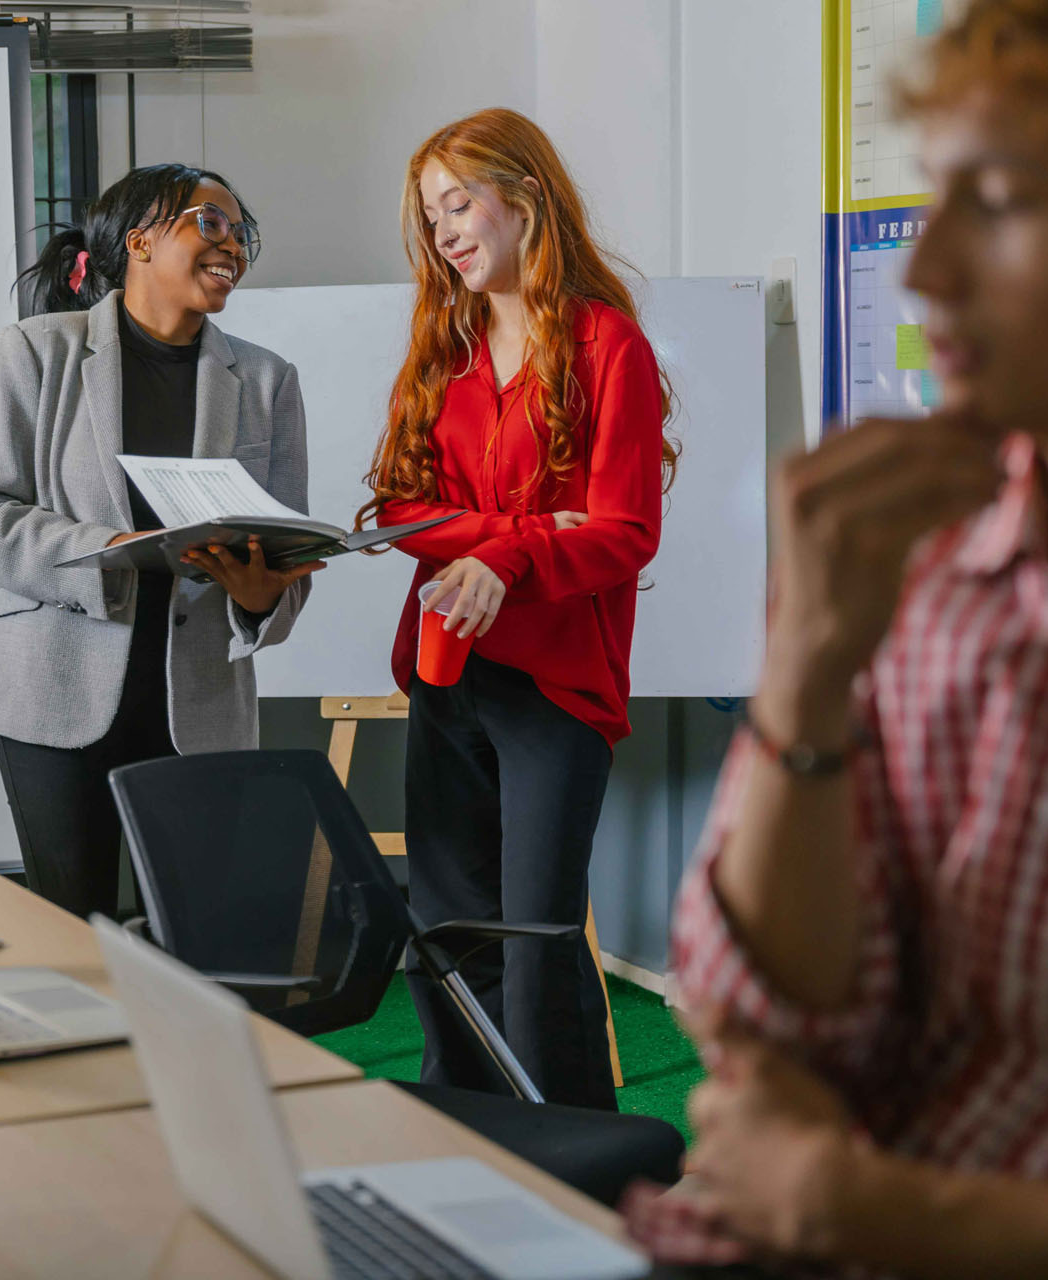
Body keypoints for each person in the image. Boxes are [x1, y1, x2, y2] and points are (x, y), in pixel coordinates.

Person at [624, 1, 1048, 1274]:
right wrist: (805, 674)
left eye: (998, 201)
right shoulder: (933, 558)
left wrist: (880, 1210)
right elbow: (770, 1019)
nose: (924, 271)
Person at [362, 109, 678, 1111]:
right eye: (432, 216)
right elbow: (399, 507)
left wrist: (507, 556)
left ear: (527, 197)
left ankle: (582, 1158)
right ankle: (464, 1130)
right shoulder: (442, 345)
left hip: (558, 681)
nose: (445, 232)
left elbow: (624, 531)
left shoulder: (607, 344)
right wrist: (518, 535)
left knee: (538, 937)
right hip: (448, 666)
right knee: (449, 932)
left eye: (459, 205)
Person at [0, 164, 317, 919]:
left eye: (242, 233)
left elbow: (287, 546)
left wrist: (261, 599)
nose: (233, 246)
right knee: (73, 931)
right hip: (53, 688)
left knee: (193, 936)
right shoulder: (35, 352)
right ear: (140, 240)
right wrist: (112, 548)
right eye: (210, 223)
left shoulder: (268, 380)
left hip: (201, 702)